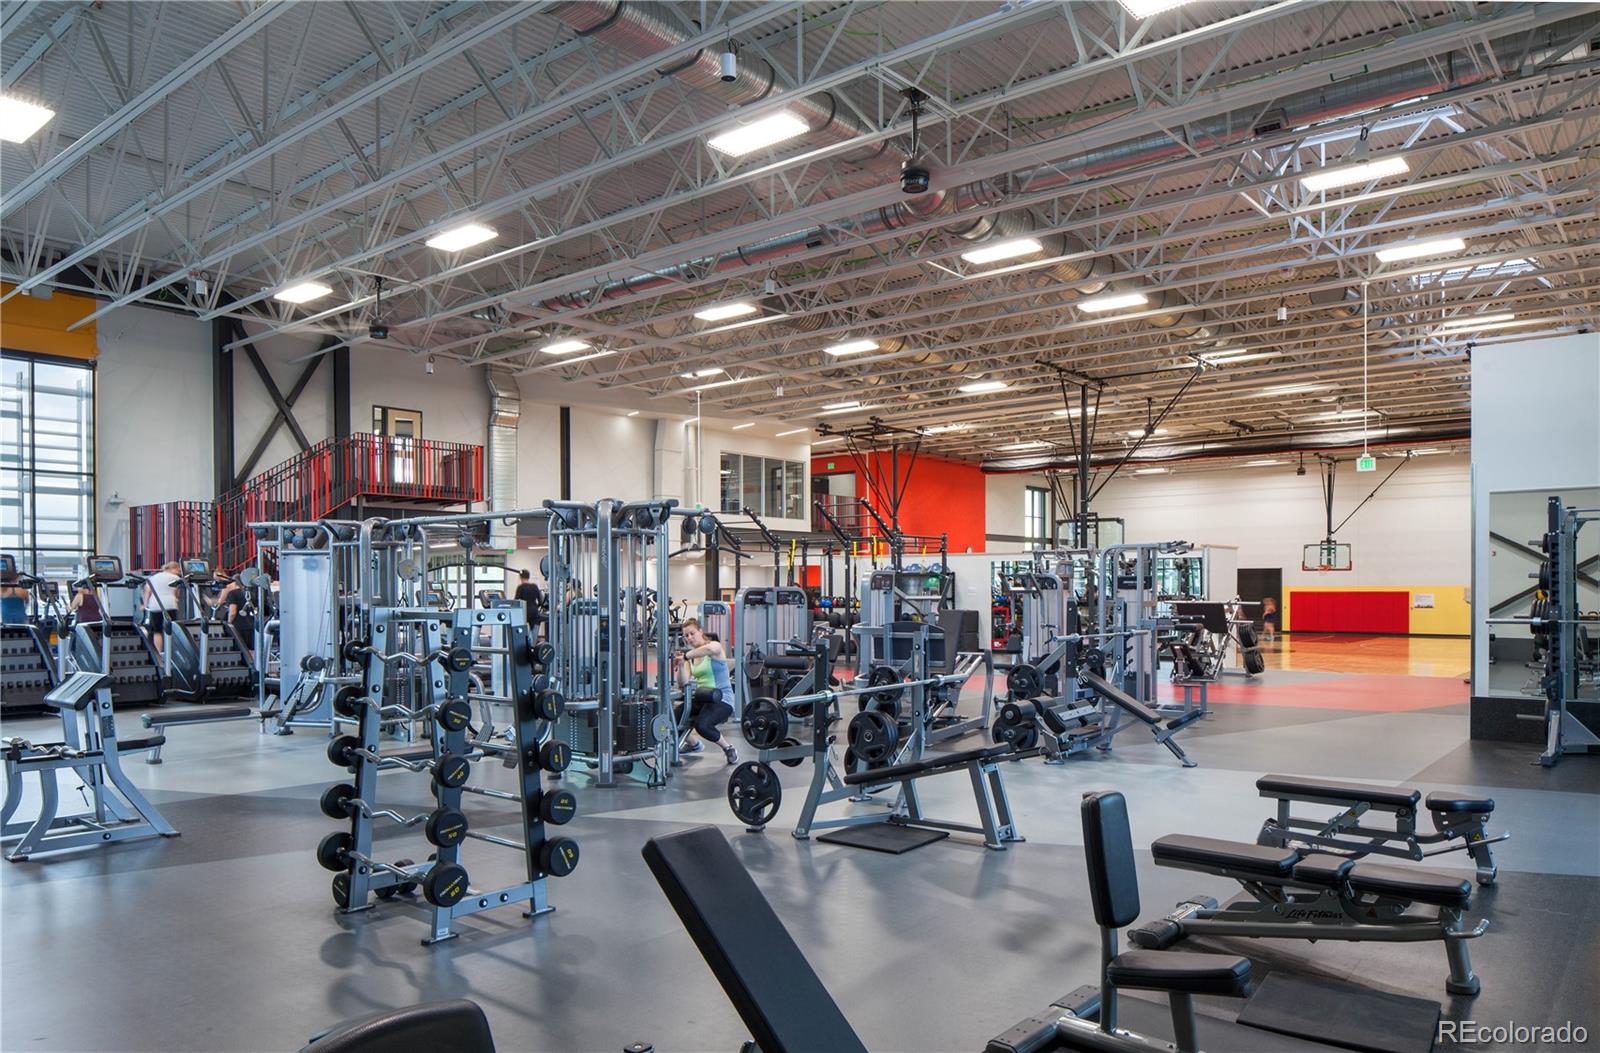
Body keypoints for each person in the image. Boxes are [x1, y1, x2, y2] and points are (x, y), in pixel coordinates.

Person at [673, 618, 737, 764]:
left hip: (722, 699)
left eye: (692, 633)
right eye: (686, 635)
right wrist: (682, 665)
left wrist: (686, 655)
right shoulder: (690, 657)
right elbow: (683, 683)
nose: (689, 638)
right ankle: (694, 744)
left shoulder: (713, 646)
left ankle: (728, 748)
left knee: (702, 726)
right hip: (703, 698)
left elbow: (710, 650)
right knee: (672, 718)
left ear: (701, 632)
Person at [142, 561, 182, 656]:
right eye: (178, 570)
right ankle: (171, 652)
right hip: (170, 604)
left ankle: (159, 653)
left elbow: (147, 591)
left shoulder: (154, 577)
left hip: (155, 605)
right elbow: (177, 593)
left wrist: (145, 604)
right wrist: (176, 600)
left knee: (157, 630)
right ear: (171, 568)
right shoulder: (176, 578)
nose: (179, 573)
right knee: (171, 629)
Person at [214, 571, 255, 660]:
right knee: (252, 650)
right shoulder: (252, 593)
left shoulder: (233, 593)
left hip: (238, 626)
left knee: (239, 651)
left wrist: (229, 623)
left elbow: (233, 612)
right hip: (252, 625)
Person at [513, 568, 544, 633]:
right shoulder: (534, 586)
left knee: (522, 630)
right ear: (528, 577)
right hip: (534, 612)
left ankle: (524, 642)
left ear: (520, 577)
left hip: (524, 612)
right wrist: (536, 607)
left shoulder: (520, 588)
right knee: (533, 631)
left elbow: (516, 601)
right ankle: (533, 642)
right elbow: (541, 601)